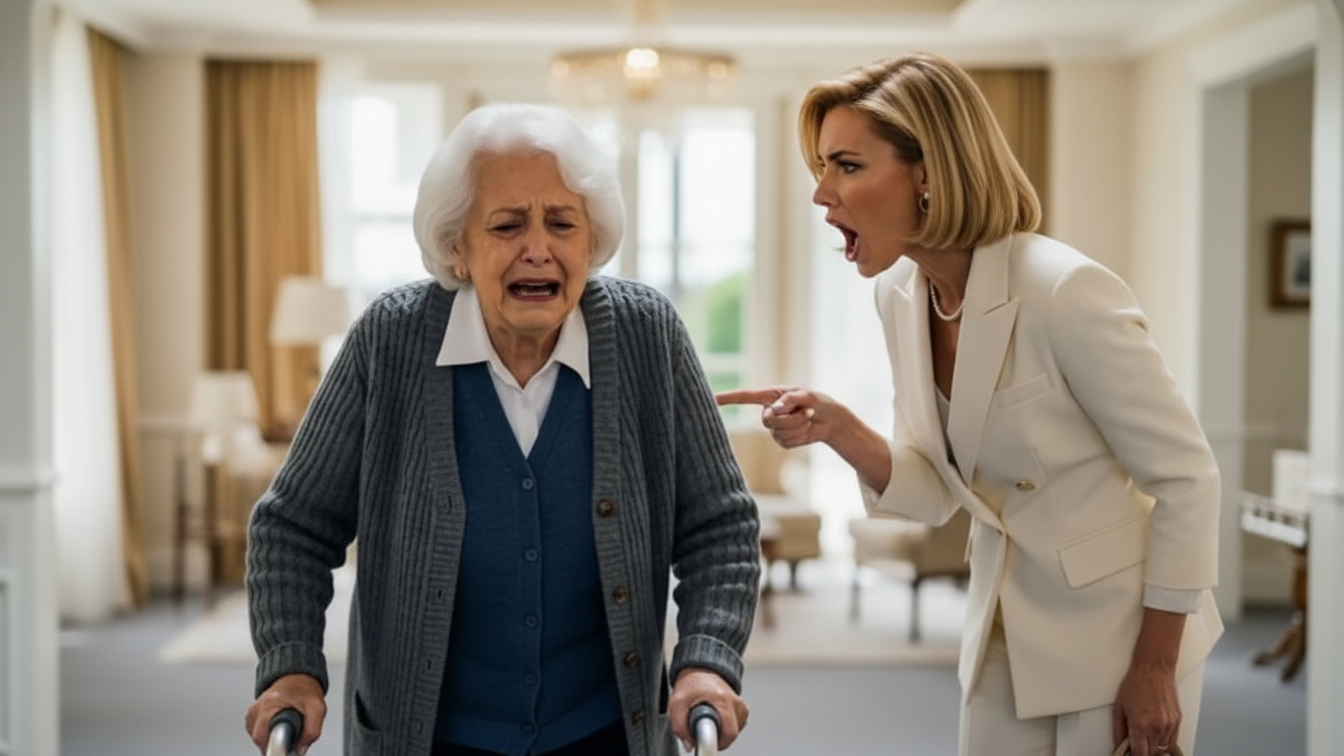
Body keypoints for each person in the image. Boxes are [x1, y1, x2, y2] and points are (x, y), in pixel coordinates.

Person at [718, 52, 1222, 756]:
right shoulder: (898, 296)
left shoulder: (1065, 291)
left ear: (928, 173)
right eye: (821, 168)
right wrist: (837, 426)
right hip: (999, 638)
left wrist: (1156, 667)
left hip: (1119, 642)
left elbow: (1188, 480)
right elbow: (934, 492)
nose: (821, 193)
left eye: (847, 166)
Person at [244, 102, 759, 756]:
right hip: (428, 739)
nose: (538, 249)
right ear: (456, 246)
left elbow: (720, 525)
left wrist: (706, 656)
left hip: (604, 733)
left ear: (591, 240)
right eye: (508, 225)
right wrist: (291, 664)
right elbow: (293, 526)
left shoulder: (646, 335)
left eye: (562, 223)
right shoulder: (389, 340)